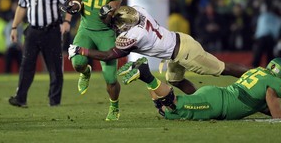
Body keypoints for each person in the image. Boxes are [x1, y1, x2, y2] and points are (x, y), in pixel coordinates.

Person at [68, 5, 248, 95]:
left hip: (185, 53)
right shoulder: (138, 10)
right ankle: (198, 99)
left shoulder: (134, 36)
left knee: (223, 68)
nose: (116, 25)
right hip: (178, 43)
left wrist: (81, 51)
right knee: (174, 80)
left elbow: (108, 55)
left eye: (117, 23)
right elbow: (120, 13)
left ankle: (259, 76)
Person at [60, 0, 128, 121]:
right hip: (86, 30)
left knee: (111, 78)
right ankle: (85, 72)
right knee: (77, 63)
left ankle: (114, 106)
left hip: (105, 32)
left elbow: (109, 15)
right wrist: (74, 4)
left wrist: (107, 12)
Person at [117, 57, 281, 120]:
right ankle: (146, 75)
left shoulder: (258, 72)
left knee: (164, 110)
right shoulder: (273, 83)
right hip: (218, 104)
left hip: (217, 95)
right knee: (172, 107)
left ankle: (144, 74)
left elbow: (264, 103)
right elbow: (272, 101)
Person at [8, 0, 72, 107]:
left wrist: (67, 21)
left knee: (55, 67)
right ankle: (20, 98)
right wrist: (14, 27)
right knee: (26, 65)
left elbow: (69, 3)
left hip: (51, 30)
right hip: (33, 30)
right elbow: (22, 7)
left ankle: (54, 101)